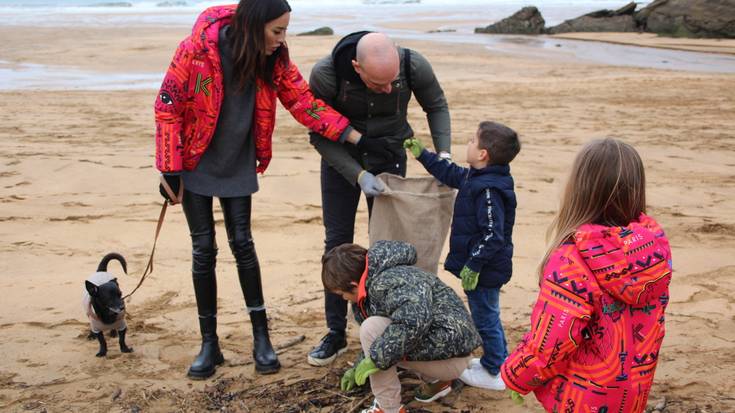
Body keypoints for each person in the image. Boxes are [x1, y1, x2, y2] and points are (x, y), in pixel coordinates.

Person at [154, 0, 365, 379]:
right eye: (277, 31)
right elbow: (167, 104)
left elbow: (302, 101)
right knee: (203, 249)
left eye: (284, 30)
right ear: (254, 26)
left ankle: (261, 339)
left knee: (243, 245)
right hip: (195, 162)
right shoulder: (196, 48)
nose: (282, 40)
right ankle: (209, 344)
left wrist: (353, 136)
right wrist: (169, 168)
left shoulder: (274, 59)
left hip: (238, 161)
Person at [307, 31, 452, 366]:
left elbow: (436, 105)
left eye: (392, 83)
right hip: (341, 159)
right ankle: (335, 332)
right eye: (378, 84)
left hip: (390, 156)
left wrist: (443, 154)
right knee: (336, 242)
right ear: (357, 68)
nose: (388, 90)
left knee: (392, 244)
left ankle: (393, 328)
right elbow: (318, 132)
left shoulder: (414, 65)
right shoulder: (326, 75)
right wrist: (357, 175)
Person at [500, 138, 673, 412]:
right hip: (632, 390)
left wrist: (516, 375)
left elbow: (551, 342)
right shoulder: (654, 250)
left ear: (579, 190)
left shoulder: (571, 261)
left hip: (582, 396)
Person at [404, 121, 521, 390]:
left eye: (472, 140)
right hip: (481, 266)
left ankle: (495, 371)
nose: (467, 143)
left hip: (485, 269)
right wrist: (423, 154)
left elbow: (494, 234)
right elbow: (449, 172)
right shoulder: (474, 177)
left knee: (485, 317)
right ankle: (498, 360)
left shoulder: (489, 189)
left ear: (483, 154)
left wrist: (473, 265)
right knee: (486, 313)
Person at [322, 240, 481, 413]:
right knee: (382, 340)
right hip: (449, 354)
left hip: (452, 361)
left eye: (341, 294)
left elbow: (413, 322)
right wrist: (358, 366)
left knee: (371, 329)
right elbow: (388, 335)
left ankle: (388, 407)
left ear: (353, 285)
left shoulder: (389, 281)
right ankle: (438, 382)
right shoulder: (376, 281)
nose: (343, 298)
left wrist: (376, 359)